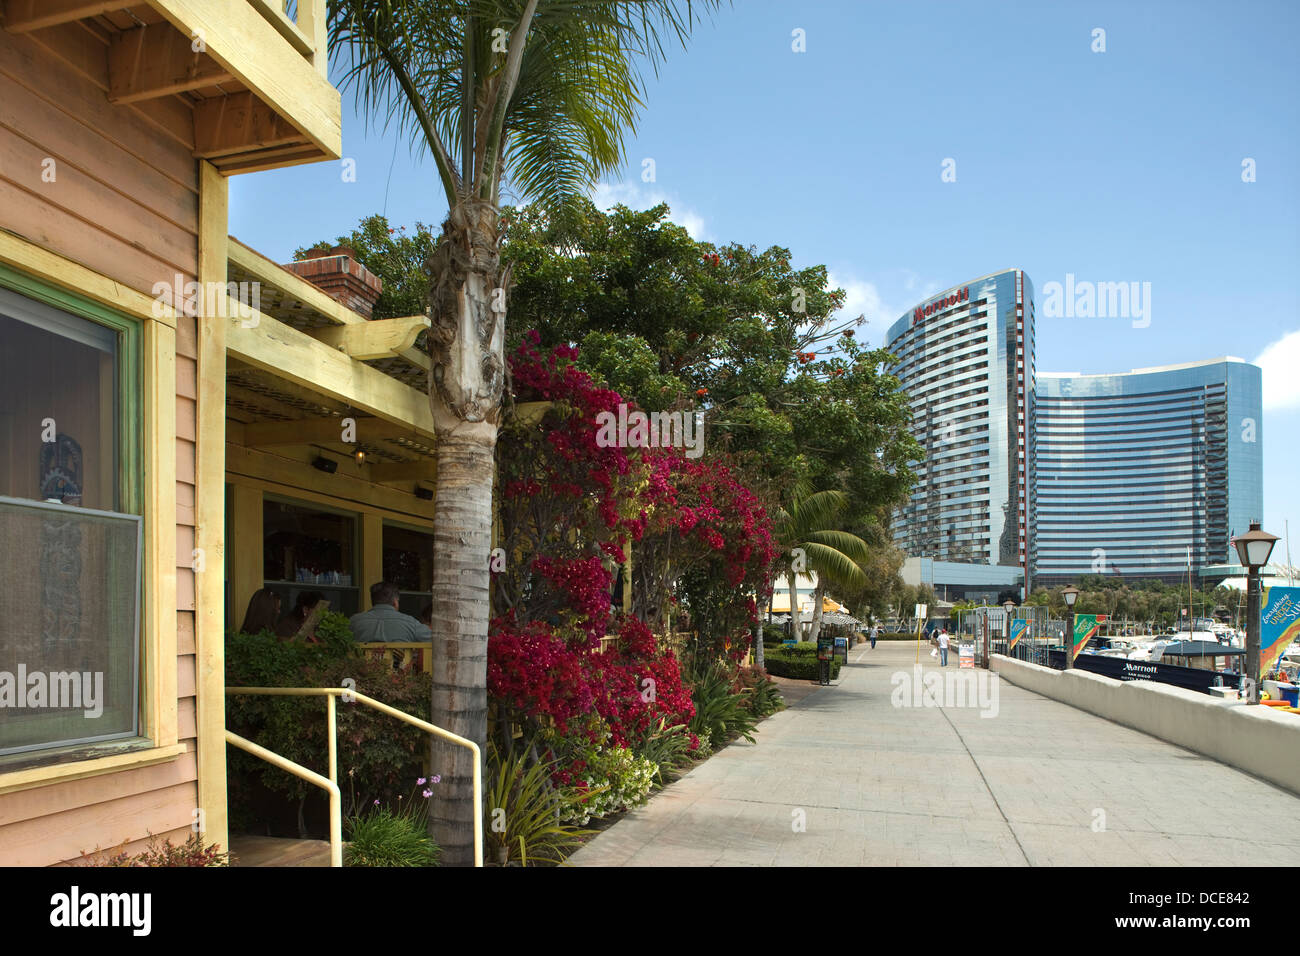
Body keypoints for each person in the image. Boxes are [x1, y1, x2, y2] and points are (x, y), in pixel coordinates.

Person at [350, 581, 432, 642]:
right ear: (396, 602)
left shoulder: (354, 621)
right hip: (400, 665)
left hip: (363, 665)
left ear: (373, 601)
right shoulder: (410, 623)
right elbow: (436, 640)